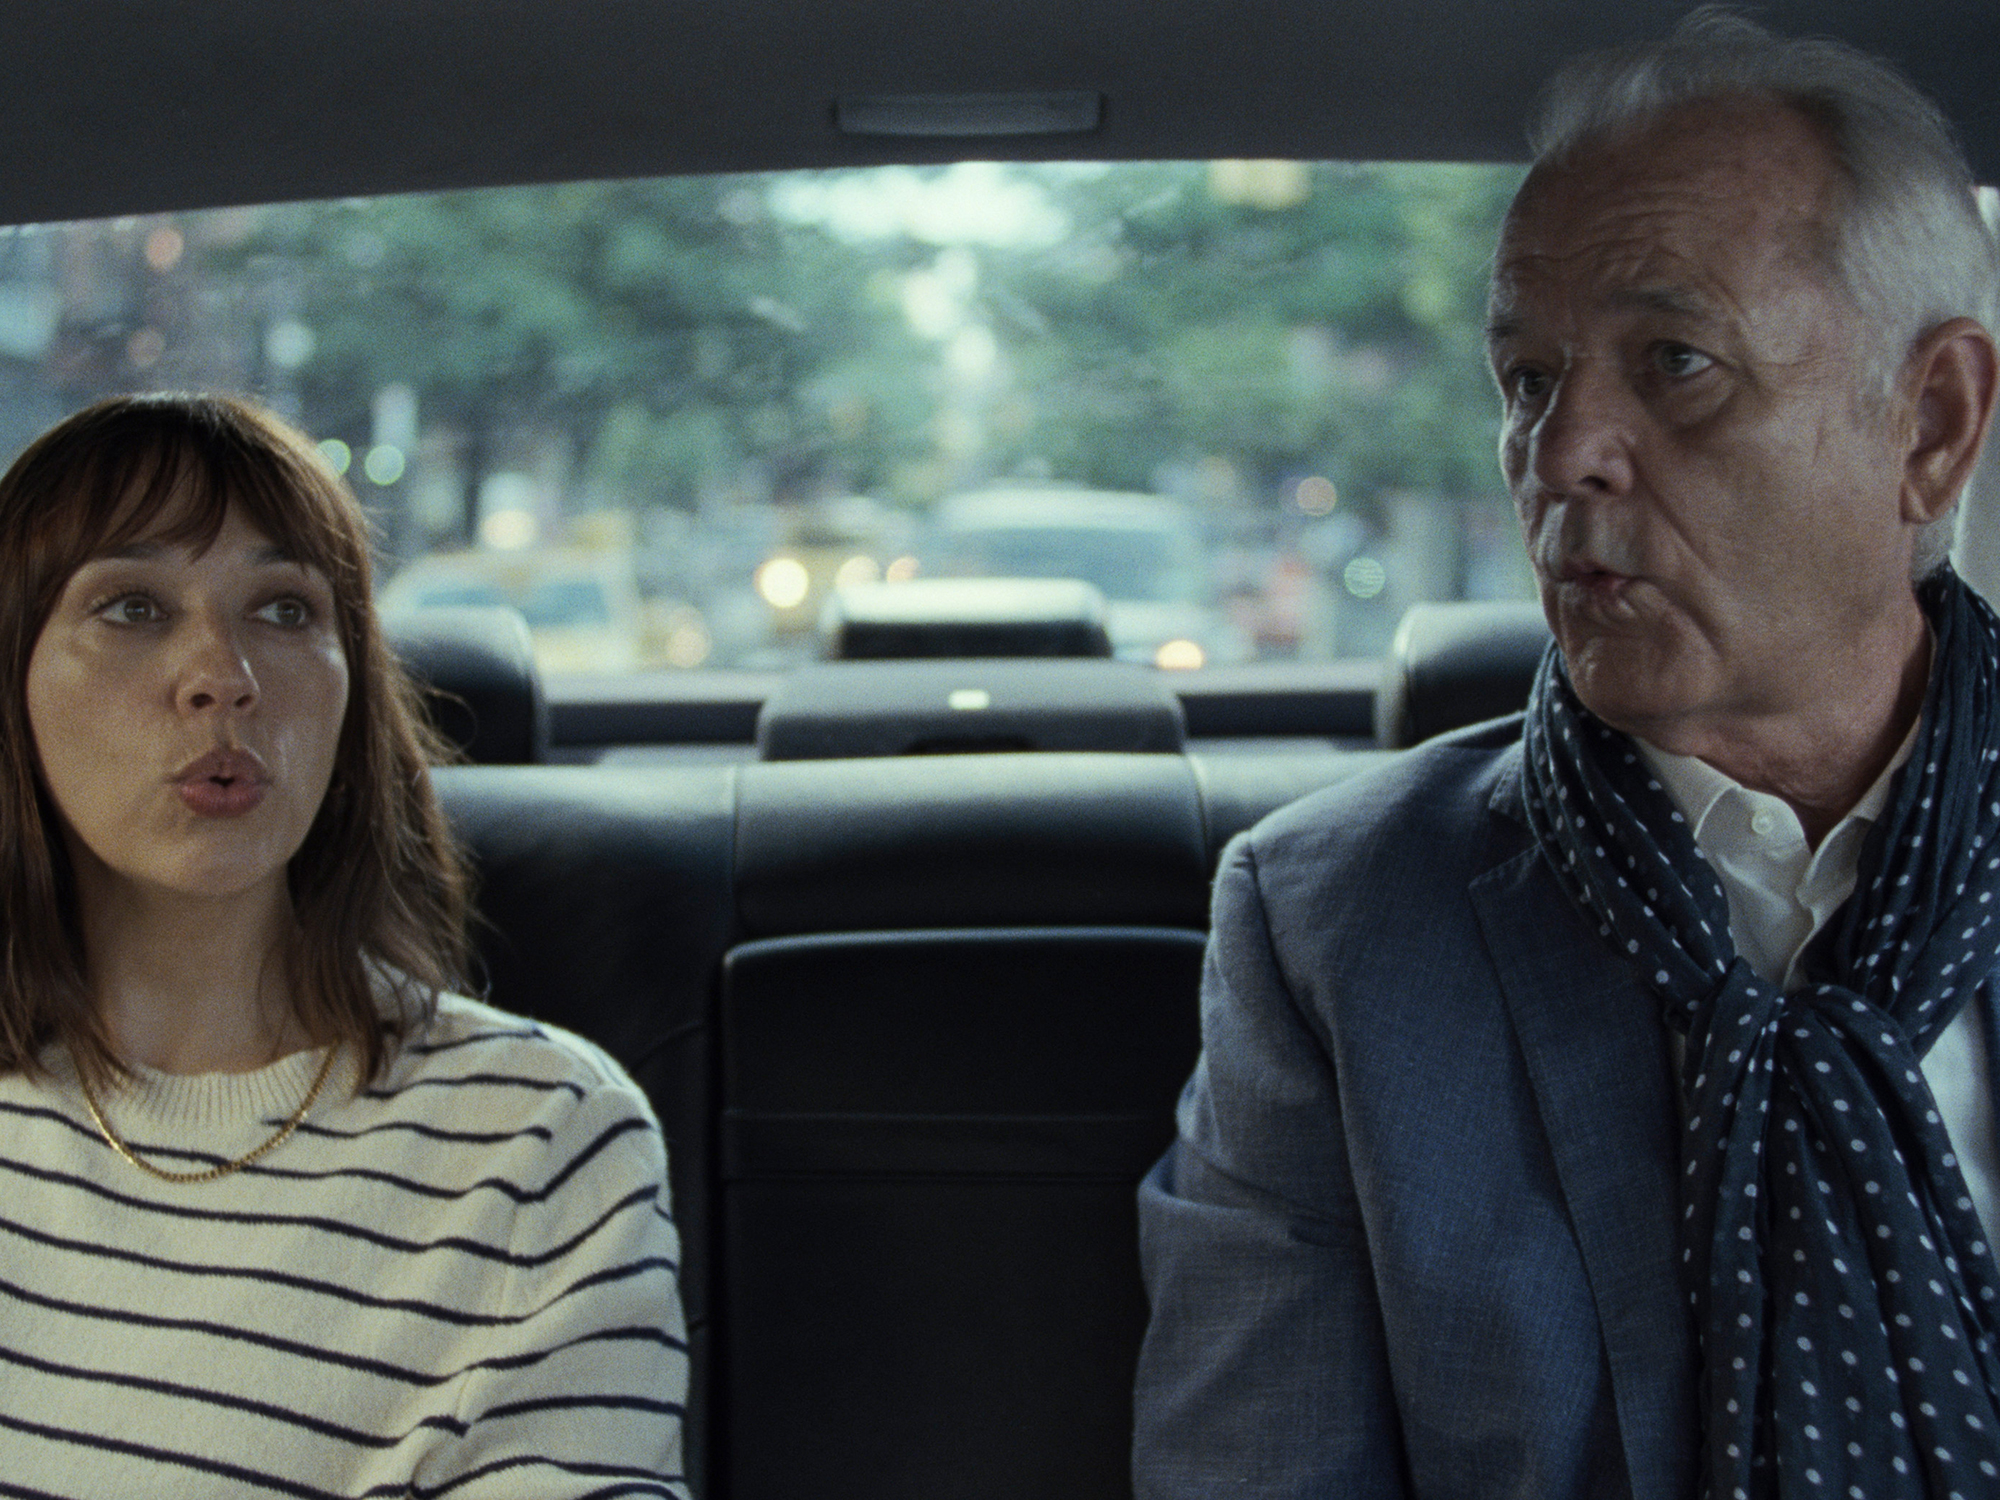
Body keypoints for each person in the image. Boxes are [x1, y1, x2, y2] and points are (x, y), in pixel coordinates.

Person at [1135, 12, 2000, 1498]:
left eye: (1676, 362)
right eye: (1529, 378)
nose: (1559, 454)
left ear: (1927, 423)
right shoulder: (1335, 924)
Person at [0, 393, 689, 1496]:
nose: (223, 674)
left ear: (350, 687)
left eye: (284, 610)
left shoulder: (536, 1145)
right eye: (132, 607)